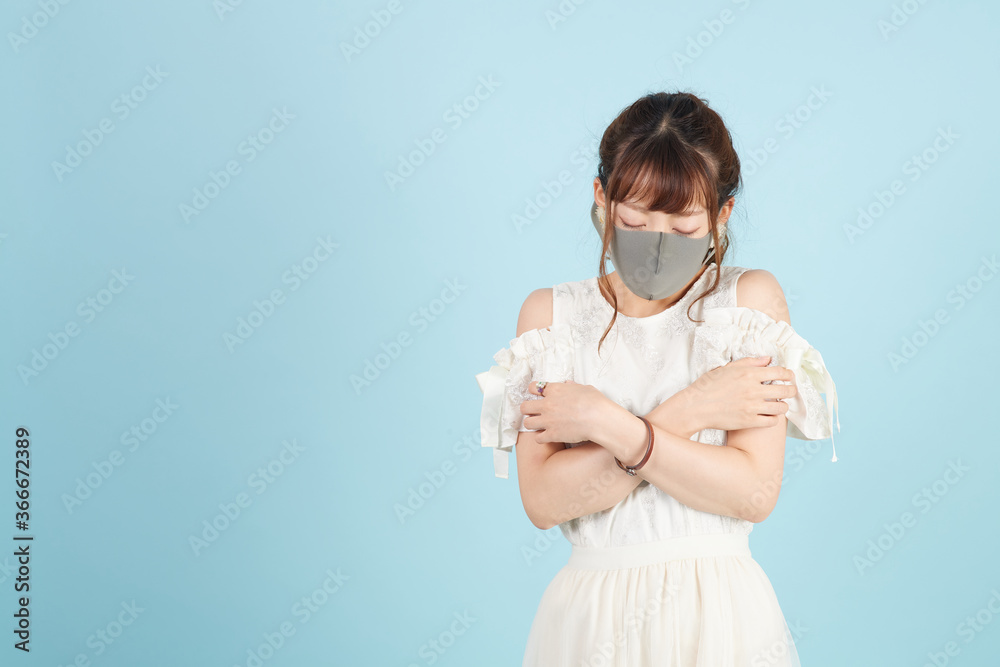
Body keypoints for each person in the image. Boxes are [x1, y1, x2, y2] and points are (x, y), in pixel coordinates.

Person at [475, 91, 840, 666]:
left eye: (685, 224)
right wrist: (694, 408)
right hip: (588, 621)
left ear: (721, 214)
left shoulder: (747, 304)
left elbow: (751, 493)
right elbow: (545, 501)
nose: (657, 242)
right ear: (602, 198)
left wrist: (600, 422)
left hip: (718, 614)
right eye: (634, 221)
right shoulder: (551, 317)